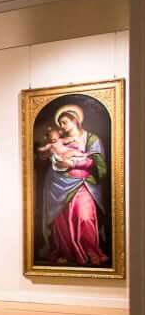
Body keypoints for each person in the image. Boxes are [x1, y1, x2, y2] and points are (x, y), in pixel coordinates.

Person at [39, 104, 109, 266]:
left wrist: (72, 163)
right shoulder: (59, 140)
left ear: (75, 120)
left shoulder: (91, 139)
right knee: (62, 222)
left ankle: (90, 250)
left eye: (65, 122)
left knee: (85, 217)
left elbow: (96, 162)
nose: (62, 126)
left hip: (83, 184)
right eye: (60, 123)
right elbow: (48, 156)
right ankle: (67, 252)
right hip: (58, 186)